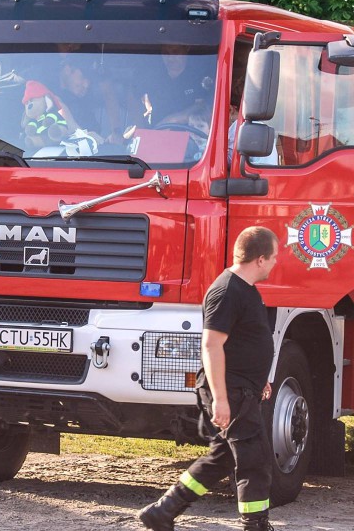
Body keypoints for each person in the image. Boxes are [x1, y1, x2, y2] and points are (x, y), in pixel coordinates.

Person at [138, 226, 279, 531]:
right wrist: (222, 400)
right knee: (254, 460)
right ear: (260, 259)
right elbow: (211, 345)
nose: (275, 264)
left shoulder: (246, 290)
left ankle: (163, 511)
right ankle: (255, 525)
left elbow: (243, 342)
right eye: (274, 258)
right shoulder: (227, 290)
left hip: (242, 387)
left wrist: (260, 379)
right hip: (231, 391)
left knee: (223, 458)